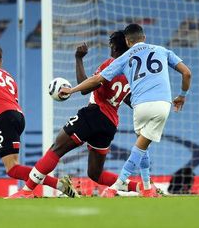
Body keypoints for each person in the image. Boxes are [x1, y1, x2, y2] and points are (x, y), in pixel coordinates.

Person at [61, 24, 192, 198]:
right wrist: (182, 95)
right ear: (143, 37)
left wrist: (72, 90)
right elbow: (187, 73)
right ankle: (124, 187)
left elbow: (96, 80)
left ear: (128, 42)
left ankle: (138, 187)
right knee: (142, 147)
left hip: (139, 106)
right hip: (161, 103)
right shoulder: (162, 50)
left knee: (142, 144)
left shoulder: (125, 57)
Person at [8, 32, 142, 198]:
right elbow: (129, 99)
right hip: (110, 124)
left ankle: (26, 191)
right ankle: (139, 188)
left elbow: (86, 88)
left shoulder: (111, 64)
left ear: (114, 47)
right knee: (95, 173)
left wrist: (78, 59)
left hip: (94, 114)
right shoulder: (131, 73)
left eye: (110, 46)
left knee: (56, 148)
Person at [0, 44, 78, 199]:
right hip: (14, 117)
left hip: (3, 118)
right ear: (0, 61)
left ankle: (59, 184)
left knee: (13, 169)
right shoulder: (9, 78)